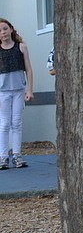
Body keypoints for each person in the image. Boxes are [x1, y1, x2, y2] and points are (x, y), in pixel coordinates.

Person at [0, 18, 33, 169]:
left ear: (11, 29)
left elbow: (28, 69)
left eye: (5, 28)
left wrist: (29, 90)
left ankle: (17, 155)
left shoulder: (21, 47)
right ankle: (3, 156)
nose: (3, 32)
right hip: (3, 92)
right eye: (0, 31)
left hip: (19, 90)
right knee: (5, 123)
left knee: (16, 123)